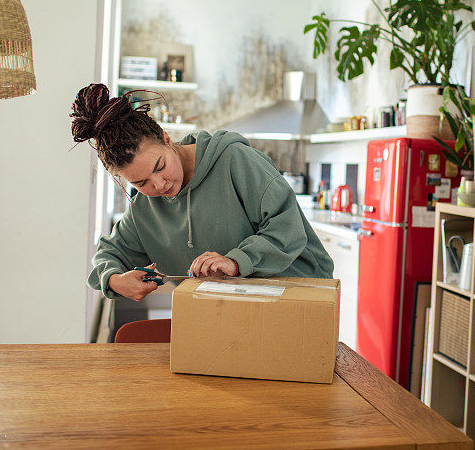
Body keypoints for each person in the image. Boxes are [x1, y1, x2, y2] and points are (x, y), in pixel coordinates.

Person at [70, 83, 334, 301]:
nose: (159, 184)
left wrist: (236, 262)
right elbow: (108, 253)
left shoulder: (235, 160)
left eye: (160, 166)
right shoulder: (145, 207)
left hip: (299, 298)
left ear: (166, 138)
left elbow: (287, 227)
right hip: (229, 314)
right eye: (141, 183)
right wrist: (115, 280)